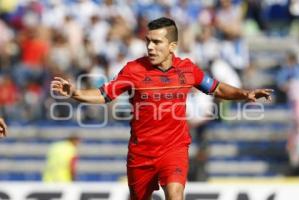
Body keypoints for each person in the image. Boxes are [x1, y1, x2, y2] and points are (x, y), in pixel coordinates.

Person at [51, 17, 273, 200]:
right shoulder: (133, 69)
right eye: (148, 41)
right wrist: (74, 92)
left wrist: (245, 94)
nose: (150, 47)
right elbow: (104, 94)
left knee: (175, 194)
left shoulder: (188, 70)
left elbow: (216, 88)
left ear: (172, 46)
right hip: (141, 153)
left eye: (156, 42)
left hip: (173, 149)